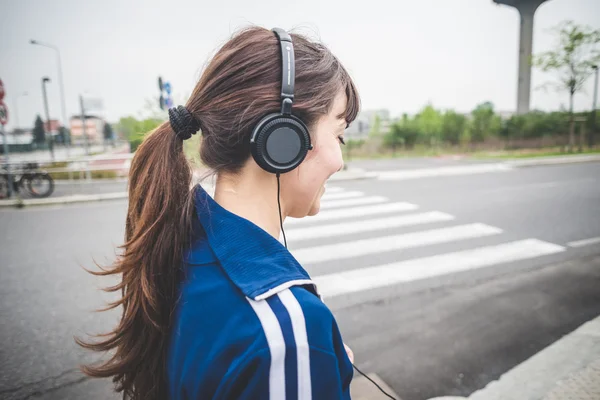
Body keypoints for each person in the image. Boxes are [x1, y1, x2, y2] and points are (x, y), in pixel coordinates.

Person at [78, 25, 360, 399]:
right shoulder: (285, 334)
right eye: (339, 134)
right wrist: (302, 354)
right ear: (283, 139)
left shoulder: (185, 244)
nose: (340, 161)